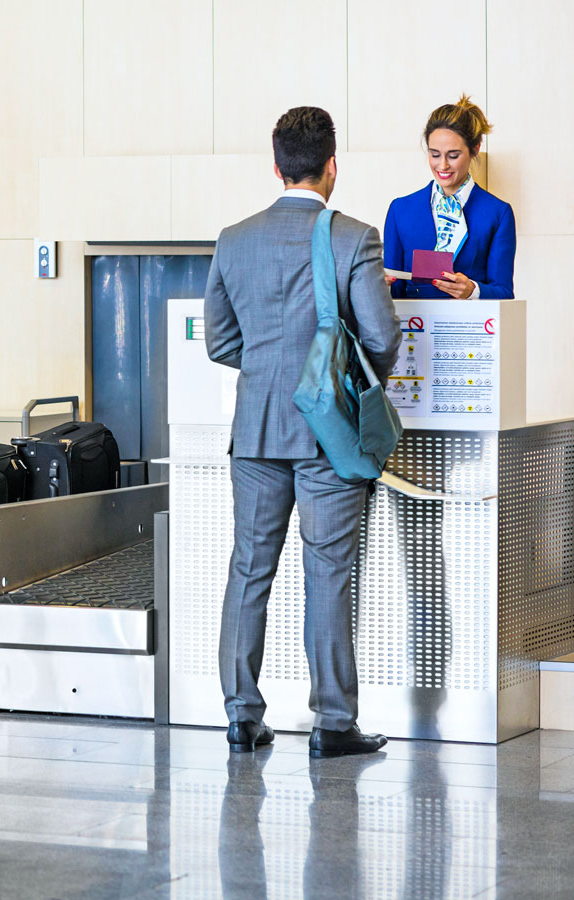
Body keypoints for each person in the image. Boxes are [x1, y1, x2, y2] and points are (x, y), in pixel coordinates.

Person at [204, 107, 402, 758]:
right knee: (328, 574)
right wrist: (332, 377)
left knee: (249, 570)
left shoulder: (234, 238)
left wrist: (269, 368)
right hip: (329, 439)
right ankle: (333, 723)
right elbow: (380, 338)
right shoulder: (352, 237)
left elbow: (220, 340)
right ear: (332, 166)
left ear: (276, 165)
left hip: (256, 431)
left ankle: (241, 715)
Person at [383, 95, 516, 299]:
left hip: (470, 327)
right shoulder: (401, 210)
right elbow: (394, 290)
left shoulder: (497, 213)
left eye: (453, 156)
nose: (443, 165)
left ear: (475, 148)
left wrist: (473, 290)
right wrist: (377, 286)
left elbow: (504, 292)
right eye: (435, 154)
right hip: (414, 327)